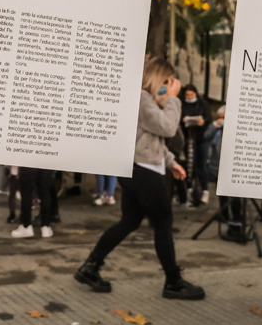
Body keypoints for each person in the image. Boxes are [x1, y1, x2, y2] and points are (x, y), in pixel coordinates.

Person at [75, 58, 205, 300]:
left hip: (140, 168)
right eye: (168, 81)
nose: (170, 86)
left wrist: (171, 162)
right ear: (159, 79)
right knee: (163, 223)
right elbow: (167, 128)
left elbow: (152, 140)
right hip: (143, 171)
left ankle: (90, 266)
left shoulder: (146, 101)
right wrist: (175, 98)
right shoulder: (142, 99)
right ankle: (173, 281)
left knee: (130, 221)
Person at [178, 85, 211, 207]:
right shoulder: (182, 104)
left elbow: (208, 117)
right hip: (189, 139)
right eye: (187, 95)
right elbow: (179, 117)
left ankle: (205, 190)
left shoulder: (203, 104)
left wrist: (203, 121)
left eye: (191, 95)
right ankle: (190, 189)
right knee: (190, 164)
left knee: (201, 165)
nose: (189, 97)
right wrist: (184, 119)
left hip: (201, 138)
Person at [12, 167, 56, 239]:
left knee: (26, 194)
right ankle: (46, 227)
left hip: (28, 163)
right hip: (47, 162)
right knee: (45, 193)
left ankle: (26, 226)